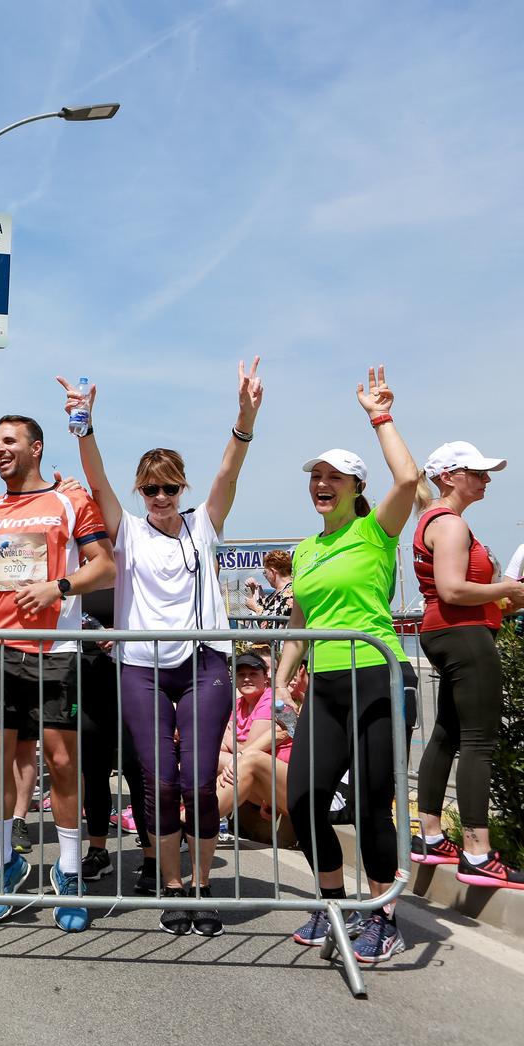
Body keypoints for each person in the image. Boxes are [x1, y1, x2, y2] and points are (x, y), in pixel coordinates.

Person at [60, 359, 262, 936]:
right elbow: (96, 480)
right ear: (139, 492)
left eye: (169, 487)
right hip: (141, 668)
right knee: (160, 778)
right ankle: (170, 887)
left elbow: (230, 470)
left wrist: (244, 418)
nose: (160, 496)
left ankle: (202, 887)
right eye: (150, 488)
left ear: (182, 488)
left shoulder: (203, 525)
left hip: (205, 663)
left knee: (199, 777)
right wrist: (83, 424)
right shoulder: (126, 530)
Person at [0, 412, 116, 933]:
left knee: (63, 760)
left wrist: (58, 589)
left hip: (55, 650)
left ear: (36, 448)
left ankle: (68, 874)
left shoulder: (70, 500)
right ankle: (3, 865)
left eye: (9, 441)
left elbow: (104, 566)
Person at [275, 366, 421, 963]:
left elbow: (409, 477)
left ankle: (382, 913)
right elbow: (301, 626)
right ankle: (333, 901)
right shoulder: (306, 550)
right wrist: (284, 677)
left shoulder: (374, 531)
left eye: (333, 476)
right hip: (327, 686)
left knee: (368, 804)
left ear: (356, 485)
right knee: (305, 800)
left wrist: (379, 415)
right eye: (315, 477)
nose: (321, 484)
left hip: (381, 678)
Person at [410, 441, 524, 887]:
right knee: (479, 741)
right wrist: (507, 590)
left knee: (448, 733)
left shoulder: (433, 520)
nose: (486, 480)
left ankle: (432, 836)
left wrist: (504, 598)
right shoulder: (450, 524)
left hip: (448, 632)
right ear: (448, 476)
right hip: (464, 635)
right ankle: (478, 852)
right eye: (476, 472)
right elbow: (453, 589)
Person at [215, 652, 291, 824]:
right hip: (261, 781)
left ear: (266, 678)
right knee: (204, 756)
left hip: (285, 780)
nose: (247, 679)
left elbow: (249, 750)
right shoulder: (239, 704)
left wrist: (229, 739)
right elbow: (226, 748)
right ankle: (181, 817)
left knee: (245, 760)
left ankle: (192, 822)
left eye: (253, 674)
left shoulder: (274, 700)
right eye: (241, 674)